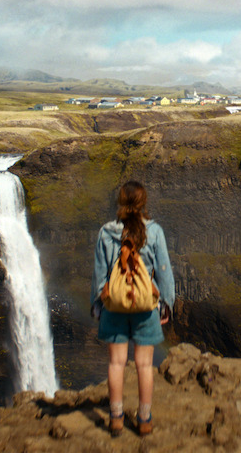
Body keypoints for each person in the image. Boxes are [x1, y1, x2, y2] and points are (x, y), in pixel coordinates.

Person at [92, 180, 175, 437]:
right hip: (145, 308)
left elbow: (100, 274)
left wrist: (98, 304)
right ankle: (144, 419)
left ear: (120, 201)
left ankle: (116, 418)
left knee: (116, 363)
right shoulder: (155, 232)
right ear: (143, 202)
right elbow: (164, 272)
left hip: (114, 307)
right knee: (144, 364)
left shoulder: (106, 232)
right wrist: (166, 305)